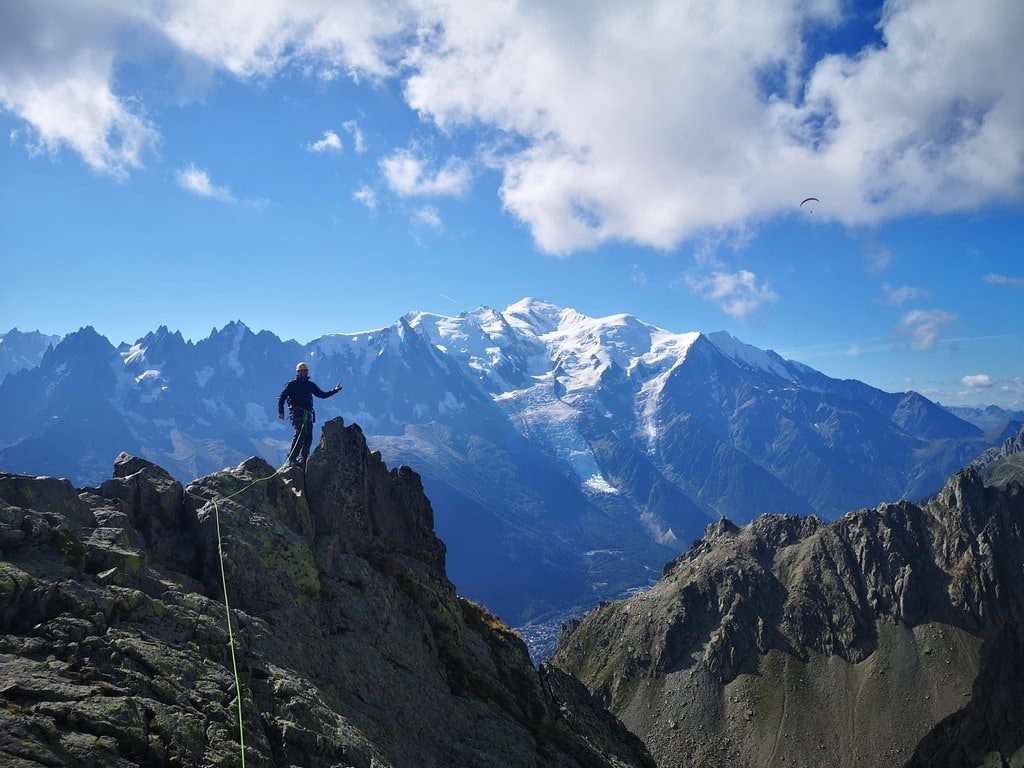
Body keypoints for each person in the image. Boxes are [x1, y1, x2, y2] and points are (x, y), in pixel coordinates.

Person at [278, 362, 342, 466]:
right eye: (302, 371)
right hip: (296, 413)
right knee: (300, 433)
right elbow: (282, 397)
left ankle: (304, 457)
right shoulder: (292, 384)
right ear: (298, 373)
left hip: (307, 413)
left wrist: (334, 390)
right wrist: (281, 411)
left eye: (305, 371)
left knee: (308, 436)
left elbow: (322, 394)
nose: (304, 373)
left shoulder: (310, 385)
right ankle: (292, 458)